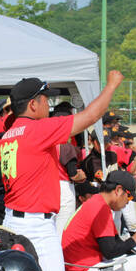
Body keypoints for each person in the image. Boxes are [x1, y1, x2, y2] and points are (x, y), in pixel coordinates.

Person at [0, 71, 124, 271]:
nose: (48, 105)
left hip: (15, 218)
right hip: (36, 224)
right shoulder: (35, 129)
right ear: (33, 104)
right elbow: (90, 116)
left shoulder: (10, 132)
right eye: (45, 99)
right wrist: (112, 85)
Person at [51, 102, 86, 240]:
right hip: (64, 188)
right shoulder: (66, 146)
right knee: (62, 231)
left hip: (48, 187)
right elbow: (73, 174)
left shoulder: (47, 144)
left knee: (51, 228)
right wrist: (81, 175)